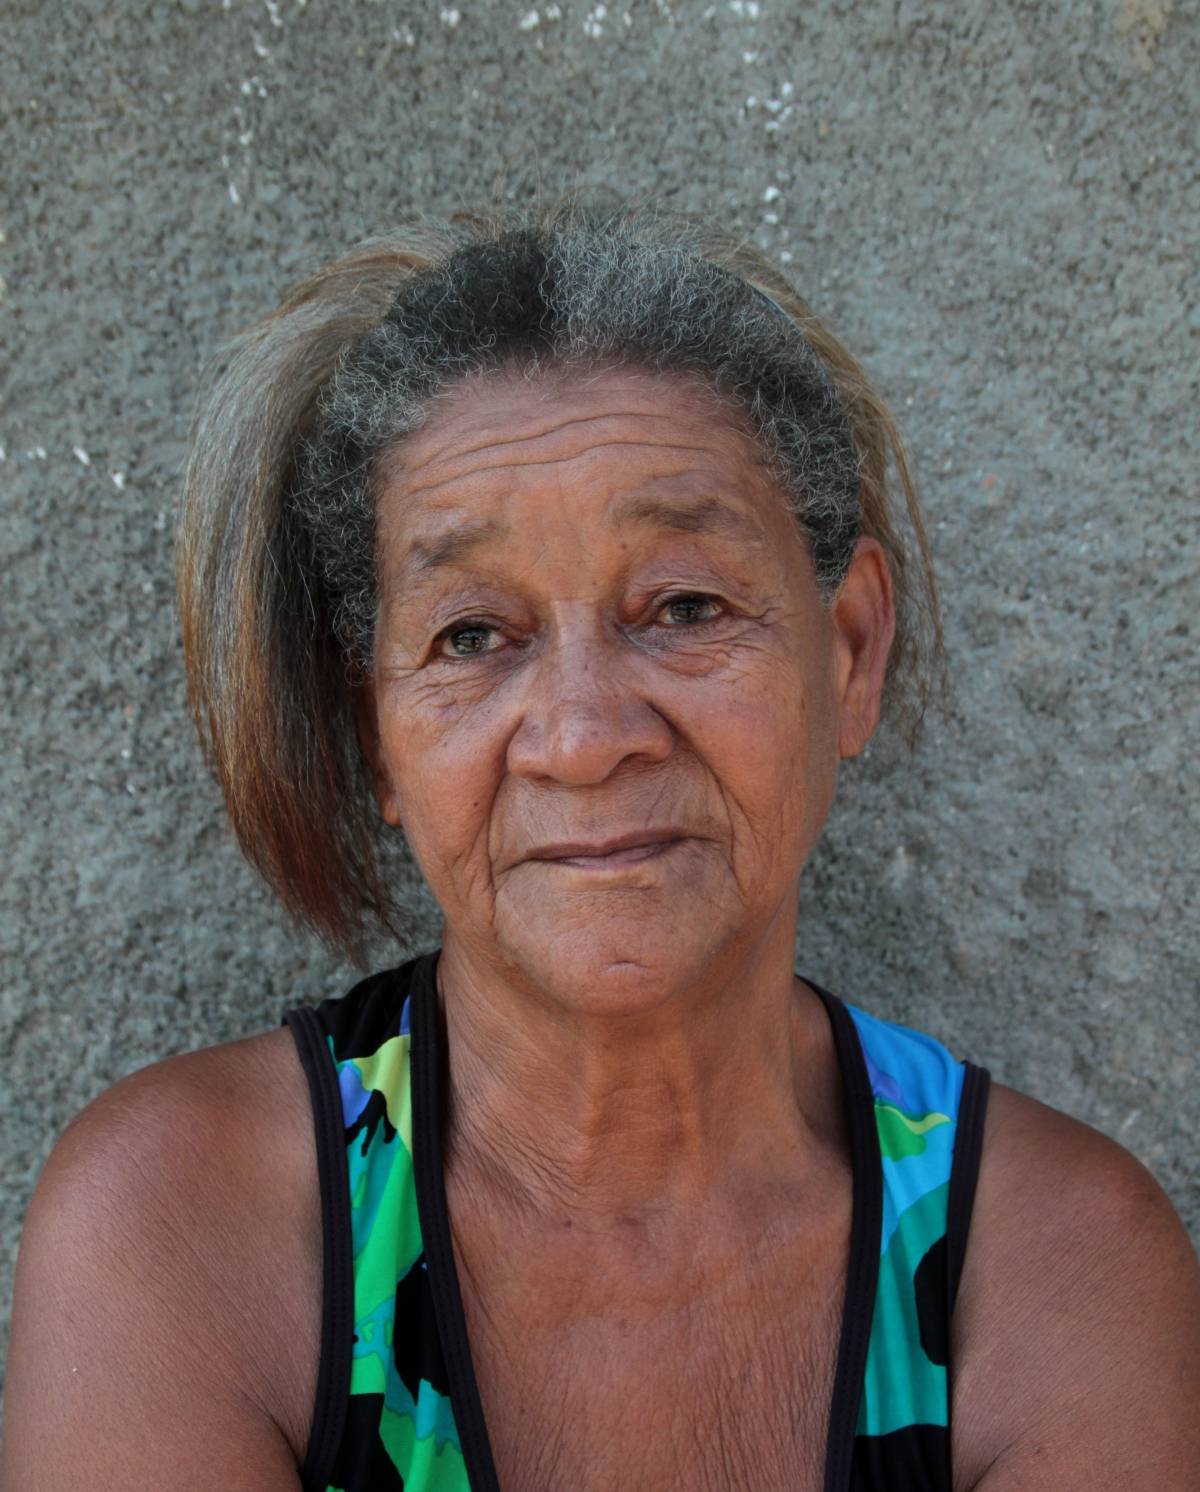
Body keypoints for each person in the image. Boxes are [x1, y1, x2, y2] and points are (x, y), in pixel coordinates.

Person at [3, 202, 1197, 1492]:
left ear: (848, 650)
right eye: (471, 636)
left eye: (685, 606)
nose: (581, 736)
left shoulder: (1059, 1268)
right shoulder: (186, 1234)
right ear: (376, 731)